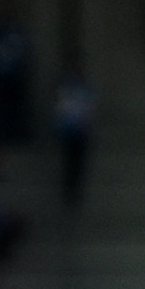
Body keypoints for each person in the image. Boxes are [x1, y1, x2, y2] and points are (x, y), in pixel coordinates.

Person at [52, 73, 96, 207]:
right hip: (69, 131)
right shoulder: (63, 89)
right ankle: (69, 193)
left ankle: (75, 192)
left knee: (78, 164)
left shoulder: (85, 89)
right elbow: (60, 109)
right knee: (69, 164)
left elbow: (90, 109)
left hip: (80, 132)